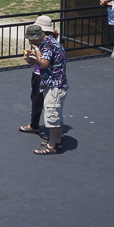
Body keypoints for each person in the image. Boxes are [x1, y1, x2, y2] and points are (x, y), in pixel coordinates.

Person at [25, 23, 68, 154]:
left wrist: (36, 53)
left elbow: (43, 63)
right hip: (57, 83)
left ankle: (51, 146)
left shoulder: (46, 45)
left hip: (55, 84)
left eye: (30, 39)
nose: (29, 41)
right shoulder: (49, 41)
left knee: (51, 114)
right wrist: (35, 59)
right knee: (57, 115)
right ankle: (57, 141)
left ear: (36, 37)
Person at [19, 15, 56, 135]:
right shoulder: (40, 40)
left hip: (45, 75)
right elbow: (39, 59)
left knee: (47, 104)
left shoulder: (48, 43)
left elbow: (45, 62)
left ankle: (53, 133)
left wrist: (35, 55)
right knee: (36, 100)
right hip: (38, 73)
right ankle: (35, 125)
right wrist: (32, 57)